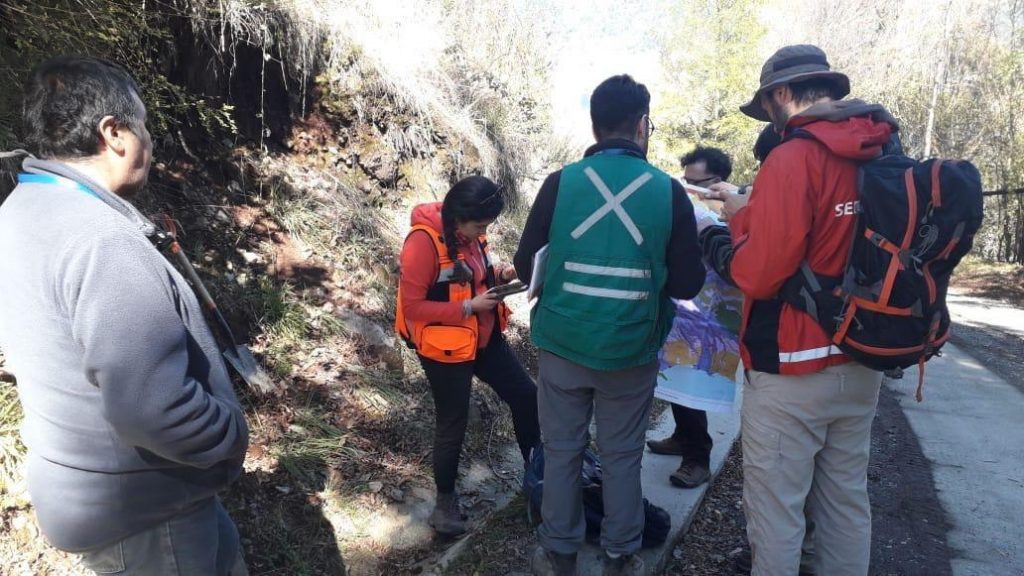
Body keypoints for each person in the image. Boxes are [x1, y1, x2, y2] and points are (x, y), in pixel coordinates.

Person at [0, 57, 250, 575]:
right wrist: (231, 435)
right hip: (144, 514)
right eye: (145, 128)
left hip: (92, 489)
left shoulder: (20, 208)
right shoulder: (102, 241)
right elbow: (154, 410)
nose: (151, 145)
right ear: (113, 133)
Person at [705, 45, 899, 576]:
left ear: (782, 93)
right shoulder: (880, 147)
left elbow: (760, 274)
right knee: (844, 501)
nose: (768, 113)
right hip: (863, 354)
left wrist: (741, 217)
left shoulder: (793, 155)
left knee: (777, 512)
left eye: (767, 102)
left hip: (794, 361)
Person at [515, 74, 706, 576]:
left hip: (561, 343)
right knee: (621, 455)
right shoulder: (668, 192)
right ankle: (620, 556)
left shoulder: (561, 182)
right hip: (630, 349)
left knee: (561, 451)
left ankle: (560, 552)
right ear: (643, 124)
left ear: (595, 125)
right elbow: (687, 284)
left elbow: (521, 265)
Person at [395, 175, 540, 537]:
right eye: (479, 226)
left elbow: (474, 275)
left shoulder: (472, 235)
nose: (481, 233)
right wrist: (468, 307)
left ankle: (537, 480)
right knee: (452, 422)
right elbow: (413, 307)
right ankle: (444, 506)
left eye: (486, 227)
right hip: (446, 349)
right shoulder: (422, 243)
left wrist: (500, 274)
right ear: (458, 217)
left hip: (485, 339)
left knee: (528, 398)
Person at [646, 146, 733, 490]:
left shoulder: (733, 208)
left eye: (700, 183)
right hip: (682, 308)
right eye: (687, 182)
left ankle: (698, 457)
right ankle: (683, 436)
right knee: (676, 379)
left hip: (711, 315)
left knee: (696, 382)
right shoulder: (683, 206)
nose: (692, 190)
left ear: (720, 180)